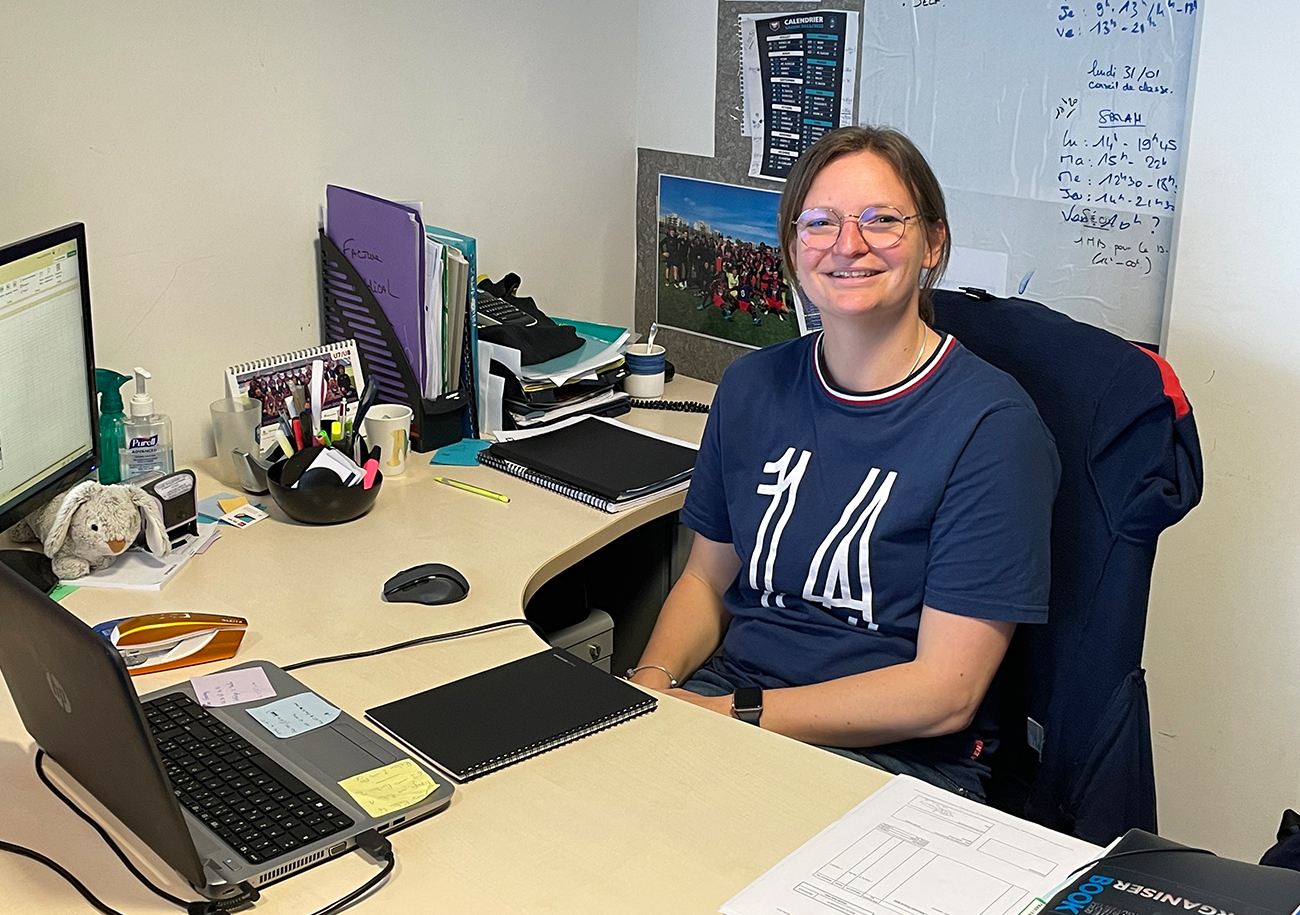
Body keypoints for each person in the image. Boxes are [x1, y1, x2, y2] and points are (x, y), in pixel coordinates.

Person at [627, 126, 1060, 800]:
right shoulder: (750, 388)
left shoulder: (991, 429)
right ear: (795, 248)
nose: (847, 245)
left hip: (895, 760)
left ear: (933, 246)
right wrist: (650, 688)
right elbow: (707, 582)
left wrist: (731, 714)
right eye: (820, 222)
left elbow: (945, 692)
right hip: (732, 706)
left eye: (881, 220)